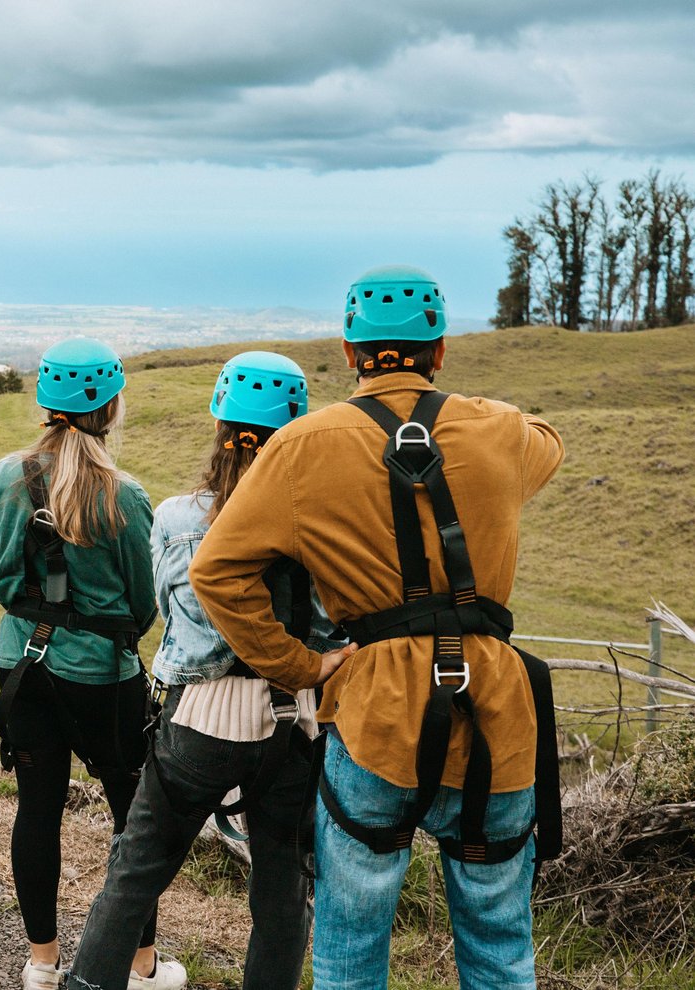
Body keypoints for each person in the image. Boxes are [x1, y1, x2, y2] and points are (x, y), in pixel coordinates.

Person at [191, 266, 565, 990]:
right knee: (497, 941)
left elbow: (216, 571)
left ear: (348, 351)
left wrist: (299, 665)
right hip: (493, 706)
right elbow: (546, 438)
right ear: (441, 351)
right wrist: (467, 410)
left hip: (375, 707)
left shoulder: (302, 446)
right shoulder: (499, 431)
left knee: (352, 941)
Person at [68, 351, 357, 990]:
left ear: (220, 427)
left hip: (197, 719)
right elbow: (339, 622)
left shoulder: (176, 518)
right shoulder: (319, 528)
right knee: (283, 887)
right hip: (294, 723)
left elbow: (168, 612)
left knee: (136, 871)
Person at [0, 338, 167, 990]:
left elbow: (2, 582)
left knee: (37, 807)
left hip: (22, 667)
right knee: (132, 814)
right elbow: (144, 603)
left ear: (45, 404)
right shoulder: (126, 495)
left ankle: (42, 962)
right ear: (111, 407)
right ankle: (142, 965)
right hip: (103, 678)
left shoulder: (5, 477)